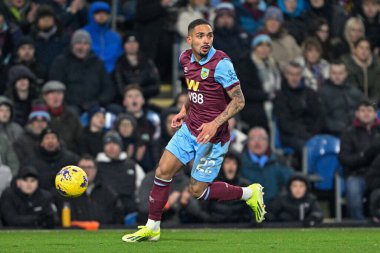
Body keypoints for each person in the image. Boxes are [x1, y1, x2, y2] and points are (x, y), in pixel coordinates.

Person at [122, 19, 265, 243]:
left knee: (197, 190)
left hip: (213, 138)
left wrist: (214, 123)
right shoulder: (185, 58)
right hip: (190, 129)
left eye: (209, 35)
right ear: (189, 40)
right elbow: (194, 88)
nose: (206, 40)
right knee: (162, 171)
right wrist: (184, 109)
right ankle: (153, 227)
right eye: (200, 36)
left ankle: (249, 193)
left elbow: (239, 101)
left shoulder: (221, 63)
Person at [49, 29, 115, 114]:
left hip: (95, 104)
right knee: (71, 113)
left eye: (85, 44)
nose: (81, 47)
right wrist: (74, 102)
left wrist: (98, 102)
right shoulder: (61, 62)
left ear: (89, 46)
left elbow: (108, 87)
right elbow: (56, 86)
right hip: (70, 105)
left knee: (113, 110)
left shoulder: (98, 63)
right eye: (78, 43)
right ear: (72, 45)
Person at [339, 100, 380, 220]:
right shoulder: (348, 133)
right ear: (356, 113)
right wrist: (364, 156)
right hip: (357, 174)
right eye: (363, 110)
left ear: (375, 113)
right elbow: (344, 159)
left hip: (378, 175)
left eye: (370, 110)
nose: (366, 113)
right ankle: (358, 225)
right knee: (353, 191)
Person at [55, 155, 124, 224]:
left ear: (96, 170)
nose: (85, 170)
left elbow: (117, 217)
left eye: (89, 167)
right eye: (82, 167)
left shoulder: (108, 193)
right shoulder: (66, 192)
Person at [274, 61, 324, 155]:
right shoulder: (280, 96)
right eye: (291, 74)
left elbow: (319, 116)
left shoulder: (310, 93)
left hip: (311, 133)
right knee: (309, 148)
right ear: (285, 75)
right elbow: (285, 124)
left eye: (297, 74)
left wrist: (313, 134)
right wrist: (306, 135)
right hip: (290, 135)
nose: (294, 78)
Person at [236, 34, 281, 130]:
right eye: (260, 45)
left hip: (272, 102)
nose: (264, 49)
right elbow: (245, 92)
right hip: (252, 105)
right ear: (254, 48)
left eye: (267, 45)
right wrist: (267, 95)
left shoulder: (274, 66)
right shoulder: (245, 65)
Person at [96, 131, 145, 215]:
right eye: (107, 144)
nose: (111, 147)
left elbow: (142, 189)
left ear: (120, 146)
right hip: (103, 210)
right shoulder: (96, 166)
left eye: (114, 144)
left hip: (130, 211)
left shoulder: (132, 166)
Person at [240, 127, 294, 205]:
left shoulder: (279, 161)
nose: (257, 142)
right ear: (247, 142)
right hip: (247, 210)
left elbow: (290, 184)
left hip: (275, 209)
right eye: (253, 138)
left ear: (268, 142)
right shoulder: (239, 162)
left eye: (262, 138)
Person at [319, 61, 363, 136]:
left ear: (346, 74)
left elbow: (370, 103)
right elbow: (322, 118)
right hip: (335, 132)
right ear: (329, 74)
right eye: (334, 73)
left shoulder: (354, 90)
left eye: (340, 73)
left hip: (357, 129)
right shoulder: (322, 93)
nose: (337, 76)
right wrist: (341, 128)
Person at [207, 152, 253, 223]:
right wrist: (211, 220)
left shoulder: (245, 186)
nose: (231, 166)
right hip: (216, 226)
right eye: (227, 162)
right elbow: (204, 210)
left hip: (240, 226)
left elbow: (251, 213)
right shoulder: (212, 186)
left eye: (234, 163)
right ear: (222, 166)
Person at [113, 33, 160, 101]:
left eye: (134, 42)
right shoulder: (119, 63)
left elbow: (156, 86)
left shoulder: (147, 62)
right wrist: (130, 95)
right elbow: (119, 86)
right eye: (128, 43)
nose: (132, 45)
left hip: (146, 100)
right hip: (125, 101)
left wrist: (140, 92)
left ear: (138, 44)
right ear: (123, 46)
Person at [42, 80, 83, 152]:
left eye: (59, 93)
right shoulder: (40, 116)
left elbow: (80, 138)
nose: (56, 97)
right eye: (52, 93)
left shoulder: (72, 115)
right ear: (45, 97)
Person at [83, 1, 123, 73]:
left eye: (105, 13)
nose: (101, 15)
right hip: (87, 73)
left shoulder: (115, 37)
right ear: (91, 15)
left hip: (111, 75)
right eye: (97, 13)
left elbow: (119, 58)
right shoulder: (83, 34)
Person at [342, 38, 380, 105]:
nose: (364, 51)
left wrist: (372, 105)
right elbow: (352, 89)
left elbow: (377, 90)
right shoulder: (346, 64)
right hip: (353, 104)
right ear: (354, 49)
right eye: (361, 48)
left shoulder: (376, 65)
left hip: (374, 105)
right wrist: (364, 105)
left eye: (367, 48)